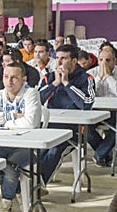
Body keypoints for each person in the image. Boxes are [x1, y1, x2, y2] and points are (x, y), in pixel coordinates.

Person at [0, 60, 42, 212]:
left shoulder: (31, 94)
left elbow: (30, 123)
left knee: (10, 166)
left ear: (24, 79)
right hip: (1, 144)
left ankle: (7, 198)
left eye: (14, 77)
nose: (9, 81)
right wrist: (11, 116)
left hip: (26, 146)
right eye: (6, 76)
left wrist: (3, 123)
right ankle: (19, 190)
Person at [38, 44, 95, 183]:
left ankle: (37, 186)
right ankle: (30, 184)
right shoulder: (49, 77)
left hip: (73, 130)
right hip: (48, 127)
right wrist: (56, 83)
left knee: (54, 150)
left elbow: (87, 104)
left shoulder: (86, 78)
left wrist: (66, 83)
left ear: (74, 61)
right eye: (57, 58)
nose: (58, 62)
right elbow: (35, 100)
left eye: (63, 58)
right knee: (34, 151)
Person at [87, 43, 117, 169]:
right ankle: (105, 153)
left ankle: (100, 154)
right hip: (95, 110)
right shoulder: (91, 73)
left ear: (114, 61)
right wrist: (99, 78)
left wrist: (108, 76)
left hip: (116, 110)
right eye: (101, 60)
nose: (104, 63)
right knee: (85, 128)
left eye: (108, 60)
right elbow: (87, 93)